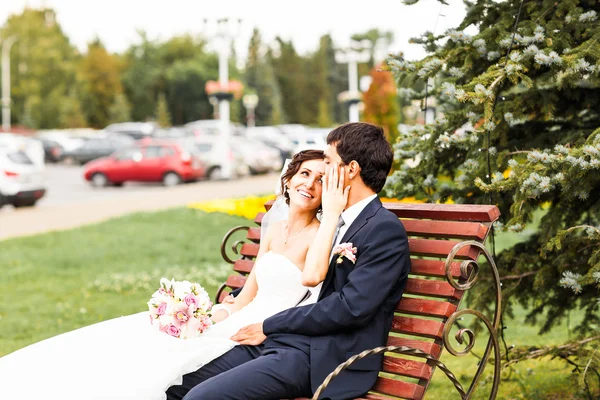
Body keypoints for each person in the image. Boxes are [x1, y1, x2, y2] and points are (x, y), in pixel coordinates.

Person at [0, 149, 348, 400]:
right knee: (143, 345)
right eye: (305, 173)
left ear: (325, 194)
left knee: (168, 371)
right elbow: (246, 297)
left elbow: (313, 279)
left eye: (321, 179)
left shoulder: (321, 234)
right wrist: (206, 315)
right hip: (237, 322)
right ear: (288, 179)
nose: (311, 183)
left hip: (266, 334)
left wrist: (331, 215)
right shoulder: (275, 231)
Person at [166, 122, 411, 400]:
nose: (321, 171)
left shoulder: (381, 229)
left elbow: (349, 308)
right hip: (279, 339)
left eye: (328, 162)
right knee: (172, 386)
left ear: (351, 170)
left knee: (202, 398)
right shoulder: (332, 219)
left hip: (322, 358)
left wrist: (271, 324)